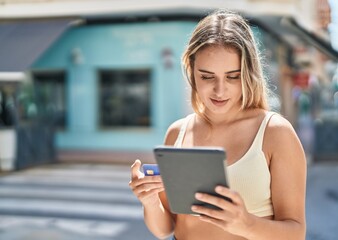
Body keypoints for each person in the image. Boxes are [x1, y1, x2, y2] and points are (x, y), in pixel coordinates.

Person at [129, 9, 306, 240]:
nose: (220, 90)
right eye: (207, 76)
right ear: (191, 71)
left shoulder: (274, 132)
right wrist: (150, 202)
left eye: (232, 76)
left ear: (248, 73)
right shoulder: (177, 133)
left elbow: (296, 233)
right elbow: (166, 228)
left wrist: (246, 224)